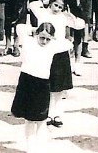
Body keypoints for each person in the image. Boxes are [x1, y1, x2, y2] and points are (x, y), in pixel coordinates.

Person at [11, 23, 73, 153]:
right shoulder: (28, 41)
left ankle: (40, 148)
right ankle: (30, 148)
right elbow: (19, 27)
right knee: (29, 119)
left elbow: (69, 43)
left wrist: (52, 37)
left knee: (41, 119)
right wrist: (35, 30)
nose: (44, 41)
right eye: (42, 38)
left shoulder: (53, 46)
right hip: (26, 82)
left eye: (47, 39)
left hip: (42, 84)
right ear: (37, 35)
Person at [28, 0, 86, 127]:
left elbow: (79, 25)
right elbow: (32, 5)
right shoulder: (42, 12)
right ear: (51, 3)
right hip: (45, 53)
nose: (57, 8)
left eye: (60, 7)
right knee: (46, 85)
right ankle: (46, 113)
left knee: (59, 88)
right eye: (55, 5)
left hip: (60, 53)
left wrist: (70, 14)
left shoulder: (63, 17)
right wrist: (44, 1)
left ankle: (57, 113)